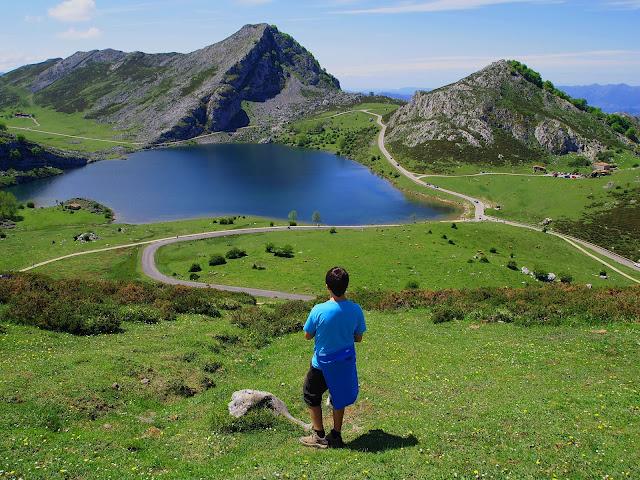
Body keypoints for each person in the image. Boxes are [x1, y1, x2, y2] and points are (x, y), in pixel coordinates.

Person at [299, 266, 366, 449]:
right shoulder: (355, 309)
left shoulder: (318, 310)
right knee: (339, 396)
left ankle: (319, 436)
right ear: (346, 286)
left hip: (321, 365)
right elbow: (358, 338)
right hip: (343, 364)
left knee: (311, 394)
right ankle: (336, 435)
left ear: (327, 286)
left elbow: (307, 335)